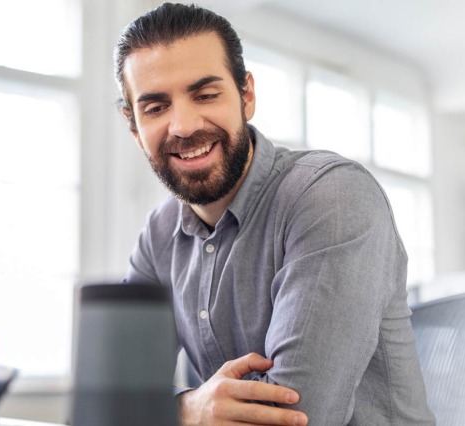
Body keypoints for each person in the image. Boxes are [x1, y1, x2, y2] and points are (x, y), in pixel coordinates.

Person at [116, 3, 435, 425]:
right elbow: (114, 392)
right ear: (135, 127)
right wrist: (187, 409)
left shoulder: (332, 197)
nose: (183, 125)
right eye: (156, 108)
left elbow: (295, 416)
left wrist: (162, 412)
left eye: (206, 94)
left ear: (246, 95)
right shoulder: (159, 233)